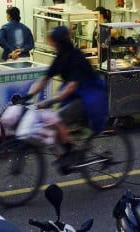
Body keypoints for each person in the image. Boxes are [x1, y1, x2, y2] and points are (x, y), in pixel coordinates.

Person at [25, 26, 108, 171]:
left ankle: (69, 152)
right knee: (55, 124)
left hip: (90, 96)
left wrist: (51, 101)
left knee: (57, 118)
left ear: (60, 42)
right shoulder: (61, 57)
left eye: (54, 43)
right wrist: (29, 95)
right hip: (75, 95)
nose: (53, 46)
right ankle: (70, 149)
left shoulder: (75, 57)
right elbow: (45, 78)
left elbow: (72, 86)